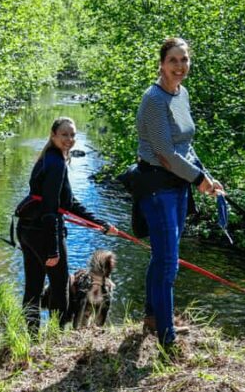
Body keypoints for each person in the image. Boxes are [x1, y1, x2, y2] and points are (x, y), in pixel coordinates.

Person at [136, 37, 224, 350]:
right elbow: (163, 152)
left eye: (184, 60)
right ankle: (167, 336)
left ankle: (152, 318)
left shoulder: (181, 94)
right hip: (157, 186)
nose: (180, 67)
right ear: (161, 64)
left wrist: (208, 177)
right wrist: (198, 178)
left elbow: (186, 146)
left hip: (178, 186)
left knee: (162, 259)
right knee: (169, 263)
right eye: (173, 60)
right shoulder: (154, 99)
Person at [15, 117, 117, 334]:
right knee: (61, 290)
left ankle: (31, 337)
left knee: (33, 287)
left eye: (72, 135)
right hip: (44, 233)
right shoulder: (56, 163)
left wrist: (100, 223)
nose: (69, 139)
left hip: (27, 230)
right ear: (53, 135)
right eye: (64, 134)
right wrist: (53, 249)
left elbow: (68, 203)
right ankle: (57, 336)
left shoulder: (49, 158)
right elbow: (51, 210)